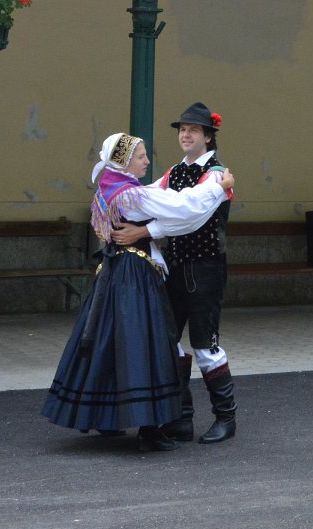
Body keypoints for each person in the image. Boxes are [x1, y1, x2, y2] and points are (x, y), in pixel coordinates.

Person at [42, 133, 235, 451]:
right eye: (141, 156)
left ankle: (107, 417)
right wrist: (218, 187)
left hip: (113, 274)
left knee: (110, 341)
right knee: (146, 343)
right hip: (134, 275)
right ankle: (152, 425)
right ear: (124, 161)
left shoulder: (110, 186)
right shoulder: (130, 195)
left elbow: (159, 191)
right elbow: (180, 206)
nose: (147, 161)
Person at [112, 102, 237, 444]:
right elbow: (146, 199)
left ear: (208, 137)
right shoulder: (174, 172)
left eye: (193, 130)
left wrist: (142, 232)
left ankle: (226, 418)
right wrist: (113, 201)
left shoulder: (216, 174)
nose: (185, 135)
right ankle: (181, 418)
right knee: (167, 341)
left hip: (206, 268)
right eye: (183, 130)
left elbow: (188, 216)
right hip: (175, 267)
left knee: (205, 345)